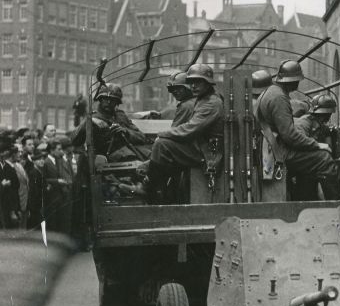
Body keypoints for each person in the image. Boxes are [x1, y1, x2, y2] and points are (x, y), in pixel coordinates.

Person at [258, 60, 340, 202]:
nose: (298, 84)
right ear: (292, 81)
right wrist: (317, 145)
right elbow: (290, 136)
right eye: (298, 80)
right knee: (324, 159)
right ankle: (335, 204)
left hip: (272, 148)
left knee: (311, 161)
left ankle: (307, 199)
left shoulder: (270, 91)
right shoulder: (279, 97)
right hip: (279, 151)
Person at [144, 64, 225, 204]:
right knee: (163, 147)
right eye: (191, 82)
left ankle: (152, 191)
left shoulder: (211, 103)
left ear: (207, 83)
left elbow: (190, 129)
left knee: (161, 145)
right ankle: (160, 192)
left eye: (197, 82)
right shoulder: (204, 98)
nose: (193, 86)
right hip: (201, 147)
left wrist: (163, 133)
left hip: (208, 153)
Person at [68, 83, 147, 160]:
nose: (108, 103)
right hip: (105, 163)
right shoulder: (93, 118)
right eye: (106, 99)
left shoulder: (121, 116)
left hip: (129, 157)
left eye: (112, 100)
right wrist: (87, 123)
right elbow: (74, 140)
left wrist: (126, 132)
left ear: (117, 102)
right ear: (100, 100)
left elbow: (141, 137)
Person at [292, 95, 340, 200]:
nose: (327, 117)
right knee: (324, 158)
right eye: (325, 115)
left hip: (307, 163)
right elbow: (298, 142)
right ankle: (334, 201)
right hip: (295, 158)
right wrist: (318, 145)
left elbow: (329, 146)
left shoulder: (321, 127)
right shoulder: (304, 123)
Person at [42, 138, 74, 234]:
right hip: (51, 196)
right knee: (52, 222)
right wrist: (57, 181)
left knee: (61, 221)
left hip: (61, 195)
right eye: (58, 149)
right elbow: (43, 179)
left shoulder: (59, 161)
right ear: (52, 150)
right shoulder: (46, 162)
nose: (61, 151)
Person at [0, 137, 21, 228]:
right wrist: (2, 185)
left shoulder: (4, 165)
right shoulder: (6, 167)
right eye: (6, 151)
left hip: (7, 205)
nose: (8, 153)